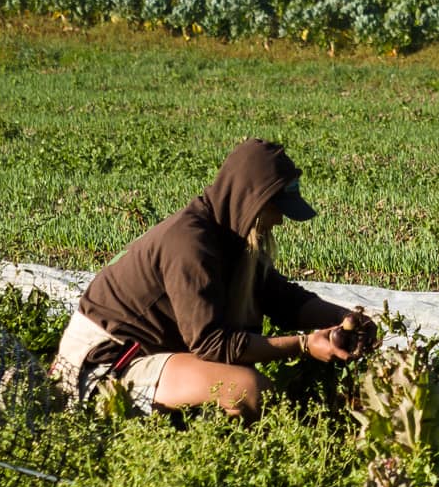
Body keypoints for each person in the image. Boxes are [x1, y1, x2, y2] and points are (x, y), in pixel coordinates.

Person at [52, 137, 375, 419]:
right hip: (104, 366)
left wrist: (343, 318)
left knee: (242, 379)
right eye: (277, 209)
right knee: (246, 388)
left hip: (151, 356)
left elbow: (282, 299)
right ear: (252, 202)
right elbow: (213, 344)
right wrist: (304, 345)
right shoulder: (190, 244)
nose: (279, 221)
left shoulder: (228, 237)